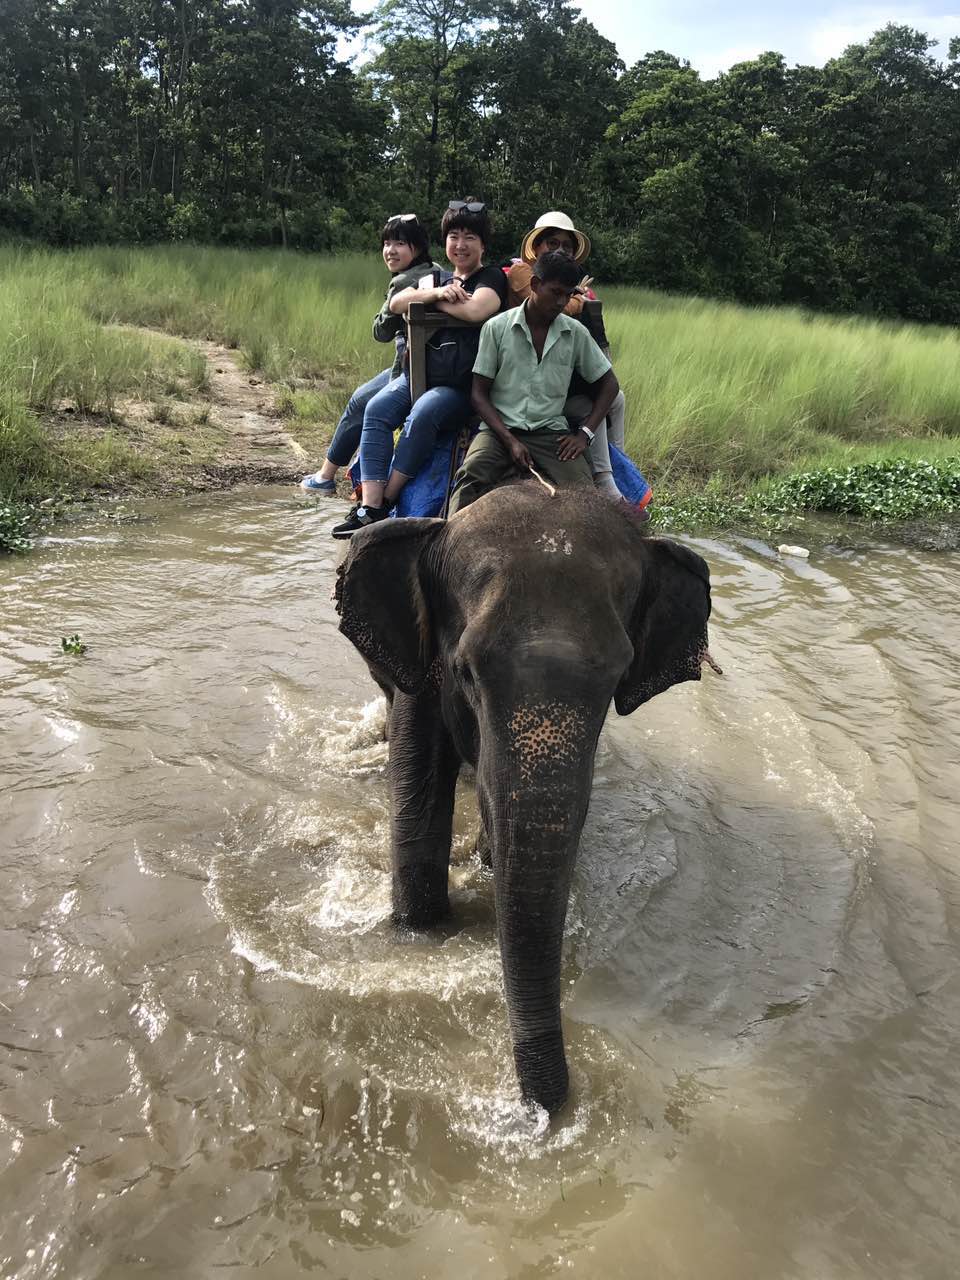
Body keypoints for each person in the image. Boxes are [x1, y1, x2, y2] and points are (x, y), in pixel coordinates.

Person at [331, 199, 507, 538]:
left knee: (424, 412)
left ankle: (388, 498)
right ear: (445, 241)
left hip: (460, 386)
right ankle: (369, 506)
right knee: (376, 408)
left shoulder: (491, 277)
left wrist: (427, 297)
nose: (460, 244)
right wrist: (439, 293)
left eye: (470, 236)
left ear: (483, 244)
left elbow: (477, 311)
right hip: (418, 375)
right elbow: (396, 303)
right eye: (453, 235)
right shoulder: (437, 277)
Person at [446, 251, 620, 515]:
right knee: (469, 477)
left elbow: (609, 385)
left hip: (550, 433)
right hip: (500, 431)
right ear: (536, 285)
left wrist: (584, 434)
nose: (562, 302)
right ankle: (447, 547)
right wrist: (509, 440)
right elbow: (478, 394)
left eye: (568, 294)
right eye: (556, 292)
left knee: (585, 494)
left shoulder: (575, 333)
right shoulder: (496, 328)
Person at [299, 213, 439, 494]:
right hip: (423, 364)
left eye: (400, 243)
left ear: (417, 246)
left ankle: (330, 479)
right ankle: (326, 475)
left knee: (362, 403)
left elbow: (381, 332)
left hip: (411, 371)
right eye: (387, 243)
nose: (390, 250)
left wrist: (388, 306)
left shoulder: (403, 282)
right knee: (360, 397)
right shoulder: (435, 269)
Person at [507, 211, 628, 502]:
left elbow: (582, 308)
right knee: (595, 401)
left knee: (616, 397)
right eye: (552, 243)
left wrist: (580, 296)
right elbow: (562, 305)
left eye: (566, 246)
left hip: (559, 370)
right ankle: (606, 478)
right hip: (526, 377)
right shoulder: (524, 272)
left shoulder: (566, 281)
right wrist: (577, 296)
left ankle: (616, 468)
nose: (560, 250)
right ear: (536, 248)